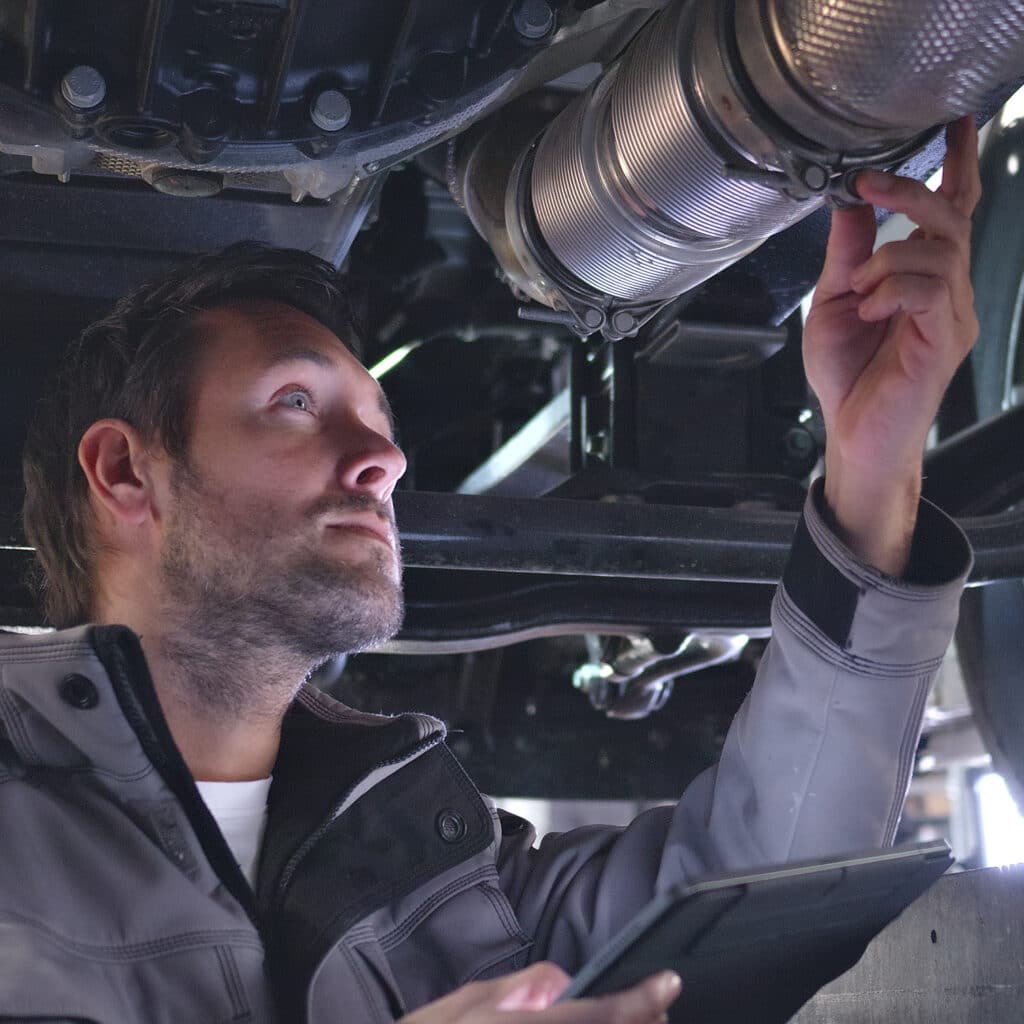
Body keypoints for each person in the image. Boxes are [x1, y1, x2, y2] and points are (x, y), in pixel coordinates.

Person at [0, 118, 979, 1024]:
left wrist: (871, 462)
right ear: (126, 471)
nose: (383, 460)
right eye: (295, 401)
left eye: (380, 421)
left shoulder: (433, 867)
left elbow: (763, 885)